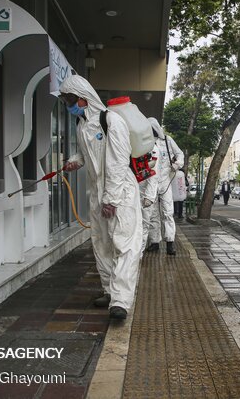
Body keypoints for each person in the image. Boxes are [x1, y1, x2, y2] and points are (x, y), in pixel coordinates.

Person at [59, 75, 142, 321]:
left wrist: (112, 198)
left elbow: (118, 161)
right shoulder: (82, 125)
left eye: (70, 99)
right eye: (66, 100)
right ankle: (108, 290)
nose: (68, 103)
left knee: (124, 246)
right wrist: (74, 161)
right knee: (101, 243)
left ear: (83, 98)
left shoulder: (111, 121)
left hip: (120, 194)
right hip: (97, 194)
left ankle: (121, 301)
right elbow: (86, 155)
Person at [146, 118, 184, 255]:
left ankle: (170, 243)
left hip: (166, 181)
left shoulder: (168, 140)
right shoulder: (146, 142)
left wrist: (177, 164)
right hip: (151, 182)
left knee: (168, 212)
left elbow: (180, 153)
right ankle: (154, 242)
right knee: (152, 213)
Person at [140, 144, 161, 258]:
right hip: (136, 191)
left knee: (144, 223)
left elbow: (153, 175)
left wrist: (149, 196)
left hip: (146, 194)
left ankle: (139, 254)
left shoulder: (153, 149)